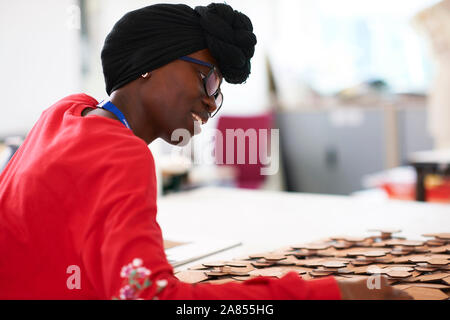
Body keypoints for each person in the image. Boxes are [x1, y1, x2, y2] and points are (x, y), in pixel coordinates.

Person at [0, 3, 411, 300]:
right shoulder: (121, 153)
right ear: (149, 63)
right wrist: (328, 292)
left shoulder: (64, 114)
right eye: (209, 79)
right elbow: (150, 296)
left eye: (219, 94)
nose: (212, 103)